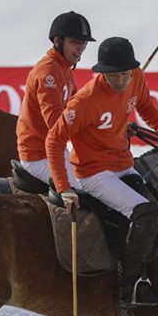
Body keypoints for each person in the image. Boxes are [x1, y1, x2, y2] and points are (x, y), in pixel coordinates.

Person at [45, 37, 158, 308]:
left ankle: (141, 272)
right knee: (146, 214)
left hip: (123, 164)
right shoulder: (85, 101)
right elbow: (53, 140)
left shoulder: (137, 78)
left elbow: (146, 106)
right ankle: (128, 289)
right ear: (101, 72)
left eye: (124, 74)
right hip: (94, 173)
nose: (120, 81)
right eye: (113, 75)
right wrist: (64, 187)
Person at [16, 11, 95, 187]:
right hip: (38, 156)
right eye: (75, 42)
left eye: (83, 43)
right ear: (58, 41)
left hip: (56, 151)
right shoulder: (48, 72)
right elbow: (55, 122)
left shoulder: (64, 68)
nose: (80, 48)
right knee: (89, 190)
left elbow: (78, 107)